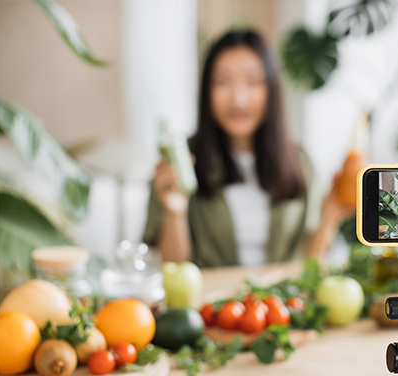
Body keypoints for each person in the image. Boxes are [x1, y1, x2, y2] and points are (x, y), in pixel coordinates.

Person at [143, 30, 352, 267]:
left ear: (272, 89)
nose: (239, 100)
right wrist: (175, 213)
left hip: (281, 303)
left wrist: (331, 215)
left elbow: (307, 267)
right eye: (222, 82)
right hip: (212, 303)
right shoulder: (181, 162)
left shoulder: (299, 161)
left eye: (253, 82)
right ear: (206, 90)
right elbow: (176, 274)